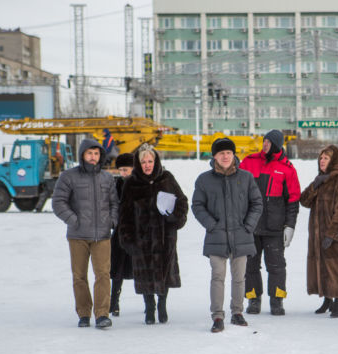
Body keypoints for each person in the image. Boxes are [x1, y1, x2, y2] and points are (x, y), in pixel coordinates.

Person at [191, 138, 263, 333]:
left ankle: (237, 312)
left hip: (241, 235)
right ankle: (217, 316)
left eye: (228, 153)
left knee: (239, 277)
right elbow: (197, 205)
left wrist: (248, 226)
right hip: (217, 237)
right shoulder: (204, 180)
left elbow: (257, 203)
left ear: (234, 155)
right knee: (218, 276)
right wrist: (211, 225)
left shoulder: (246, 178)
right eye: (221, 153)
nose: (225, 156)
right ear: (214, 156)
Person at [52, 138, 119, 329]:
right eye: (90, 153)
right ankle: (83, 313)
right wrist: (74, 220)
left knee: (103, 274)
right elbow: (58, 202)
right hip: (78, 236)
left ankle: (102, 314)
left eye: (96, 154)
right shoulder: (69, 176)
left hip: (102, 236)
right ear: (82, 154)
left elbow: (115, 203)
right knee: (79, 276)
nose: (93, 157)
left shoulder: (107, 178)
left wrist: (112, 221)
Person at [119, 144, 188, 325]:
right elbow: (124, 214)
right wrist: (128, 239)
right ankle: (149, 307)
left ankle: (162, 305)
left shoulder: (167, 178)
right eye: (143, 162)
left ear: (156, 161)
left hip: (165, 237)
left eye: (150, 161)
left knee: (164, 271)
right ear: (138, 163)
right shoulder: (131, 183)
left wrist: (175, 218)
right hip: (141, 238)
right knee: (145, 274)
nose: (147, 165)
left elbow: (182, 201)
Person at [239, 129, 301, 316]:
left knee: (276, 266)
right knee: (250, 266)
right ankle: (253, 299)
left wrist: (289, 226)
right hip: (251, 226)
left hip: (275, 227)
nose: (264, 144)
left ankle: (277, 300)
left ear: (276, 145)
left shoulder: (287, 168)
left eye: (268, 142)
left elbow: (293, 200)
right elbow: (237, 190)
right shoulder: (249, 162)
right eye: (264, 141)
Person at [299, 145, 338, 318]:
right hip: (317, 234)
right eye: (320, 158)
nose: (322, 161)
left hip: (335, 234)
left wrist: (333, 234)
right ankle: (327, 298)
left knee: (335, 266)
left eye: (326, 158)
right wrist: (314, 185)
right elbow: (304, 201)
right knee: (321, 265)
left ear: (334, 161)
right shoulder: (320, 180)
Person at [109, 153, 135, 317]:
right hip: (119, 231)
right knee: (116, 269)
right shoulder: (117, 184)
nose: (123, 173)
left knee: (141, 269)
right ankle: (114, 302)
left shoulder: (141, 184)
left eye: (126, 170)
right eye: (121, 170)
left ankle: (149, 303)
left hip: (138, 233)